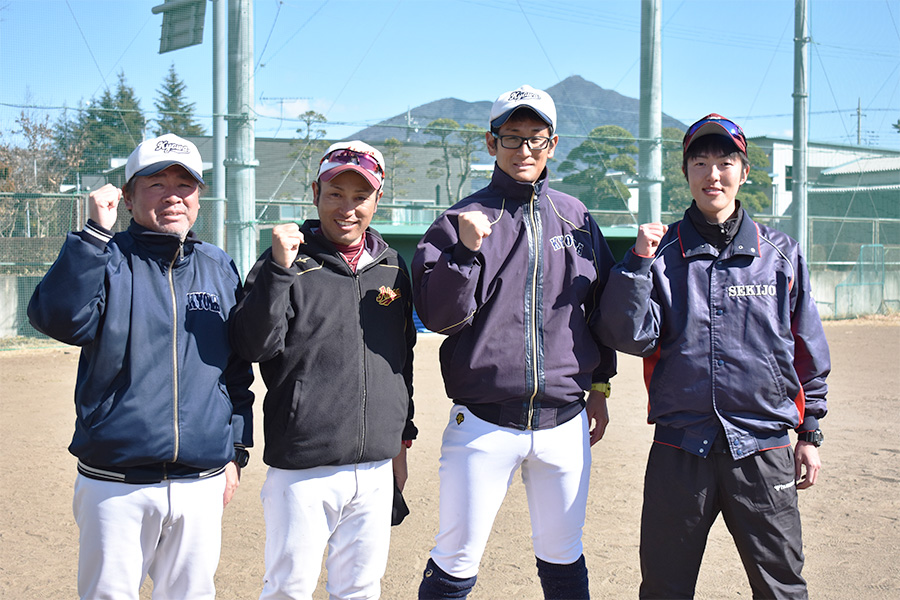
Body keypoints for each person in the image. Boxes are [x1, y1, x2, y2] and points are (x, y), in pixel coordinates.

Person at [597, 114, 830, 599]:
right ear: (686, 173)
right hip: (681, 447)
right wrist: (637, 264)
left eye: (725, 162)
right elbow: (628, 335)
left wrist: (809, 433)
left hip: (762, 446)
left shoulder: (780, 254)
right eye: (699, 162)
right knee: (664, 586)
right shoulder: (661, 255)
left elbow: (807, 348)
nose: (712, 174)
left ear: (744, 172)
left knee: (781, 586)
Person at [27, 133, 255, 600]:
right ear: (128, 196)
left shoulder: (217, 265)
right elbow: (58, 319)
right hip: (116, 481)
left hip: (201, 480)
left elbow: (234, 370)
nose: (173, 194)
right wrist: (92, 235)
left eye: (185, 184)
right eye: (156, 183)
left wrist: (236, 448)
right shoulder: (105, 258)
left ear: (199, 197)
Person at [412, 85, 617, 599]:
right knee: (456, 559)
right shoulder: (459, 221)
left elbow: (597, 312)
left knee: (564, 556)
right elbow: (438, 317)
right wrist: (464, 251)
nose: (524, 149)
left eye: (536, 138)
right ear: (491, 142)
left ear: (552, 144)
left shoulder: (576, 217)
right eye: (512, 137)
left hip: (564, 423)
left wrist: (601, 387)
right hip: (483, 422)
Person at [229, 140, 417, 600]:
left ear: (377, 199)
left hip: (375, 465)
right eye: (336, 193)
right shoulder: (287, 263)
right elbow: (251, 345)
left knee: (360, 589)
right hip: (303, 467)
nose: (347, 208)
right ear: (315, 193)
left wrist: (402, 439)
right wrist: (278, 269)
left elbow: (402, 358)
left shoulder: (392, 266)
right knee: (289, 589)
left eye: (360, 195)